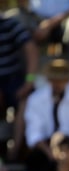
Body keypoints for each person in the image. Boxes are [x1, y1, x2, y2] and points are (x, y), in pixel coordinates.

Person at [11, 0, 69, 85]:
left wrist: (49, 25)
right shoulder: (28, 41)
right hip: (35, 19)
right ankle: (22, 81)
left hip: (65, 20)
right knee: (13, 19)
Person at [0, 11, 38, 162]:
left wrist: (29, 82)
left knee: (26, 103)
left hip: (14, 80)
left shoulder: (10, 25)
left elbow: (31, 50)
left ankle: (14, 153)